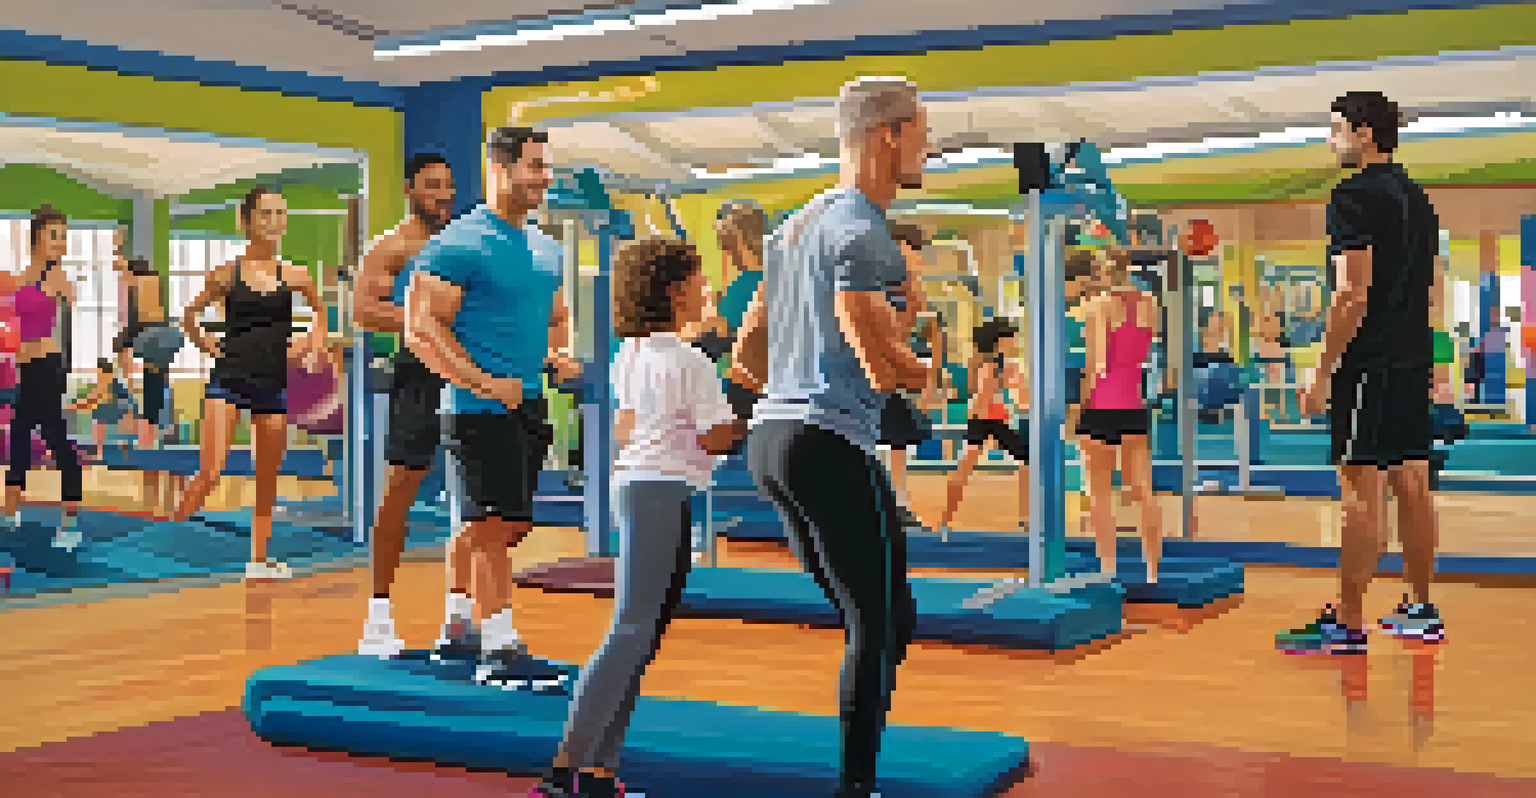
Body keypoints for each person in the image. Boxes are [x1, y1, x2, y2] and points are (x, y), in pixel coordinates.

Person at [727, 76, 935, 798]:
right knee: (879, 625)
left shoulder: (796, 226)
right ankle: (855, 790)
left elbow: (748, 350)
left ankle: (856, 766)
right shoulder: (863, 231)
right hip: (827, 442)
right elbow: (881, 368)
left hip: (773, 441)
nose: (928, 149)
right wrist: (924, 363)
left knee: (882, 616)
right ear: (889, 135)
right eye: (922, 134)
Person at [533, 238, 743, 798]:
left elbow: (628, 426)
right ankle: (561, 774)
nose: (708, 290)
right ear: (675, 291)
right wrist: (750, 410)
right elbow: (716, 436)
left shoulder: (634, 352)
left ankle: (600, 775)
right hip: (660, 492)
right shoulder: (688, 361)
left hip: (643, 486)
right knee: (631, 630)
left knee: (641, 635)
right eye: (700, 281)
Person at [403, 126, 583, 687]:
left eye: (546, 166)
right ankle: (500, 648)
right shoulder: (459, 243)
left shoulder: (545, 247)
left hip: (529, 406)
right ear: (500, 169)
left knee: (503, 528)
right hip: (475, 410)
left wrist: (559, 356)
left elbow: (555, 317)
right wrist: (481, 382)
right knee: (491, 525)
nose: (545, 178)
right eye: (534, 166)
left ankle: (456, 632)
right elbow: (420, 329)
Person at [1282, 91, 1444, 654]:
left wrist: (1323, 371)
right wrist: (1435, 365)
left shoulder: (1352, 195)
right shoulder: (1417, 198)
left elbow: (1351, 292)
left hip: (1368, 361)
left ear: (1365, 133)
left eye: (1335, 130)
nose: (1331, 141)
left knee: (1360, 489)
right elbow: (1430, 291)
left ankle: (1348, 623)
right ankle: (1420, 608)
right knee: (1414, 483)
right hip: (1410, 356)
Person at [173, 187, 330, 581]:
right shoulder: (226, 274)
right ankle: (171, 530)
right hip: (228, 379)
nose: (275, 221)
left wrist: (310, 345)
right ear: (246, 221)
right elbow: (189, 314)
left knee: (266, 477)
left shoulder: (294, 274)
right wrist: (206, 344)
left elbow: (320, 311)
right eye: (266, 213)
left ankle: (259, 562)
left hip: (272, 383)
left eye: (281, 213)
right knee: (211, 471)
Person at [351, 152, 459, 658]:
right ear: (410, 191)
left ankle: (460, 616)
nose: (443, 195)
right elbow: (364, 310)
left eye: (448, 187)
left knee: (474, 498)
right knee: (400, 489)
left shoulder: (464, 244)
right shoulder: (392, 248)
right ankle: (378, 614)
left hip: (465, 373)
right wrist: (423, 319)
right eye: (432, 186)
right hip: (417, 375)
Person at [1074, 247, 1161, 582]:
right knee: (1143, 489)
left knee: (1100, 493)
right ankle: (1152, 570)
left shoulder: (1099, 306)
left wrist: (1081, 404)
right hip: (1133, 404)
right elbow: (1140, 354)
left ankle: (1107, 569)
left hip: (1101, 404)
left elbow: (1096, 365)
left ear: (1104, 273)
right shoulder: (1149, 305)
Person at [4, 205, 85, 537]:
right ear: (36, 237)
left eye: (64, 237)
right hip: (26, 368)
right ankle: (12, 514)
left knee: (53, 437)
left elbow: (70, 301)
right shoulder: (21, 276)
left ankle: (69, 521)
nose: (60, 243)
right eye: (54, 236)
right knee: (21, 435)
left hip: (48, 368)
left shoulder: (56, 277)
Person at [931, 318, 1029, 538]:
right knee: (964, 469)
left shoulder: (1008, 364)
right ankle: (945, 521)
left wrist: (1013, 385)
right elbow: (979, 401)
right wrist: (1000, 382)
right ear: (999, 341)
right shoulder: (986, 364)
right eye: (1010, 337)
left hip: (999, 421)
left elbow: (1021, 398)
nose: (1014, 341)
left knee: (1027, 463)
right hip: (982, 421)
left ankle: (1026, 520)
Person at [877, 222, 941, 527]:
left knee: (897, 442)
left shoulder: (910, 290)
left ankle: (897, 503)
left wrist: (929, 382)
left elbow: (923, 332)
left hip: (893, 376)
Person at [113, 252, 183, 510]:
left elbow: (134, 319)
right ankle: (157, 425)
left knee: (155, 388)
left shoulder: (139, 282)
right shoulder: (151, 281)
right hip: (163, 333)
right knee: (158, 381)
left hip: (152, 332)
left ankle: (153, 425)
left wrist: (121, 263)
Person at [70, 358, 137, 462]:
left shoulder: (112, 384)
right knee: (97, 418)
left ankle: (102, 453)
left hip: (116, 414)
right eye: (98, 374)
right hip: (111, 415)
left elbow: (94, 398)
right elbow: (90, 399)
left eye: (99, 373)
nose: (98, 376)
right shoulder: (106, 384)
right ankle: (101, 452)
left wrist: (77, 405)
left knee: (98, 417)